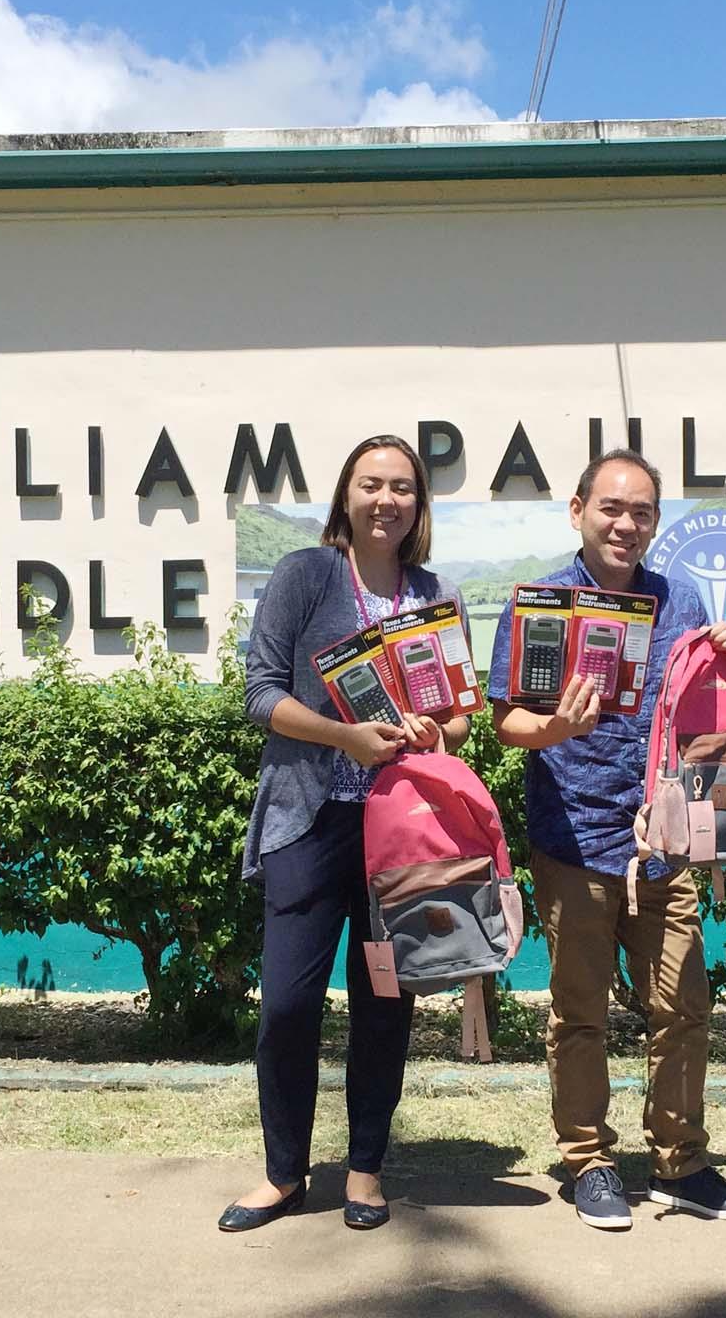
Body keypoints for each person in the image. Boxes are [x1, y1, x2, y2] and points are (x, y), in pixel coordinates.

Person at [489, 449, 726, 1232]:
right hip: (573, 836)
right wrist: (556, 727)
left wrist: (723, 654)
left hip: (661, 839)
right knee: (579, 1012)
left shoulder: (676, 602)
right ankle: (588, 1163)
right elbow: (506, 721)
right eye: (612, 508)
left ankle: (681, 1164)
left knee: (682, 1003)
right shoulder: (542, 604)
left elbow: (701, 706)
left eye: (642, 511)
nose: (626, 524)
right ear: (578, 510)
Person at [223, 435, 470, 1234]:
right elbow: (260, 694)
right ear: (346, 496)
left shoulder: (437, 594)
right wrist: (347, 736)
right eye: (372, 485)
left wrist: (440, 732)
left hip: (401, 829)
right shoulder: (304, 575)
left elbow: (462, 714)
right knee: (288, 1007)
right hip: (311, 818)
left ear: (418, 505)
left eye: (403, 487)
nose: (387, 500)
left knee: (384, 1001)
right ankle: (283, 1174)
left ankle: (365, 1170)